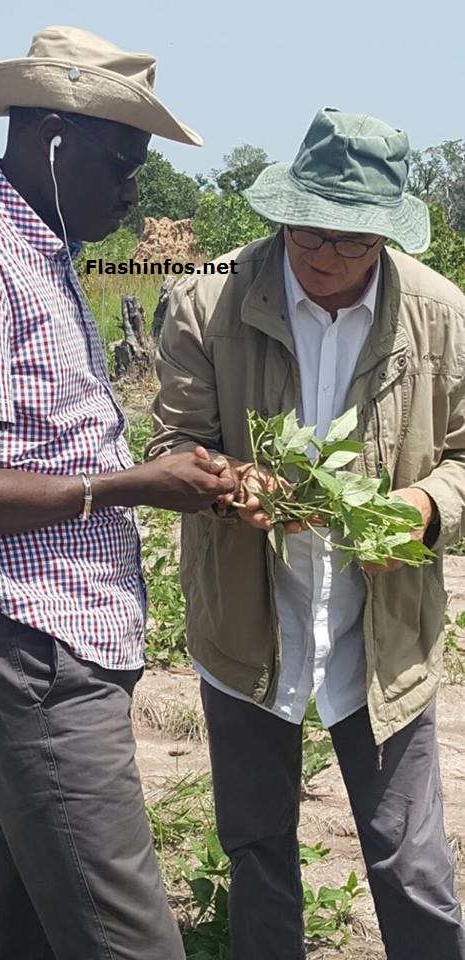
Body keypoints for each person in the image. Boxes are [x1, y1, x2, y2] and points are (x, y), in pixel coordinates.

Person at [0, 25, 236, 960]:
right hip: (29, 645)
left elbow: (46, 437)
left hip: (66, 636)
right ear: (55, 140)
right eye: (123, 161)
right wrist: (135, 484)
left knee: (30, 925)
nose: (134, 190)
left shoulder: (43, 248)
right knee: (130, 940)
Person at [148, 107, 465, 960]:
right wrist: (228, 485)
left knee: (411, 858)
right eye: (305, 234)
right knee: (257, 849)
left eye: (350, 243)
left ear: (386, 236)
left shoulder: (440, 315)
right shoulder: (207, 298)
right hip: (248, 625)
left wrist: (425, 506)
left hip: (383, 631)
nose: (322, 257)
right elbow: (173, 444)